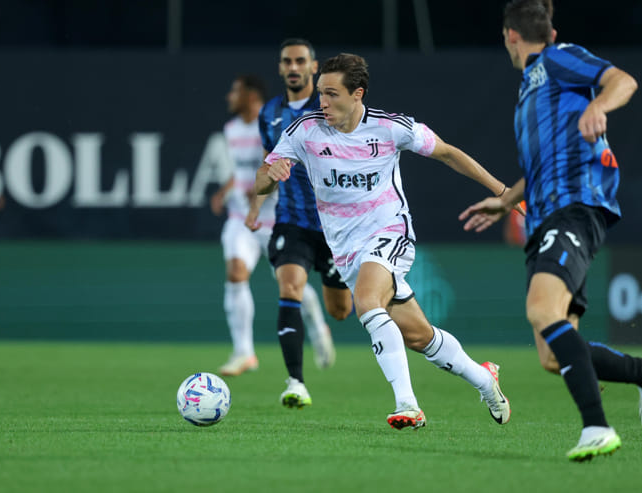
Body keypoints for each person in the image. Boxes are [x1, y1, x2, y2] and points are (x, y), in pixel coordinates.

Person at [459, 0, 642, 461]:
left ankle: (597, 428)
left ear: (510, 35)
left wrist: (599, 103)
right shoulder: (530, 90)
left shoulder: (556, 59)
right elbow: (542, 167)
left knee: (540, 309)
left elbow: (623, 80)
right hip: (544, 217)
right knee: (552, 355)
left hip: (575, 208)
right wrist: (507, 201)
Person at [257, 53, 512, 430]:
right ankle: (483, 379)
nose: (322, 102)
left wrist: (504, 193)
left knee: (366, 301)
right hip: (345, 250)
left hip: (389, 232)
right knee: (419, 336)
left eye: (332, 94)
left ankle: (408, 404)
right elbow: (261, 178)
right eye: (321, 94)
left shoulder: (391, 128)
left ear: (357, 93)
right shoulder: (304, 131)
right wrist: (271, 171)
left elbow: (447, 153)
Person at [246, 39, 353, 408]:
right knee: (289, 287)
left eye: (300, 61)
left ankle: (321, 326)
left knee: (341, 311)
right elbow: (266, 163)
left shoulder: (327, 106)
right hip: (293, 222)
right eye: (287, 61)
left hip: (337, 226)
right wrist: (255, 205)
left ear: (313, 67)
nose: (293, 67)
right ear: (280, 68)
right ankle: (296, 382)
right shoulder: (270, 113)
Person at [212, 74, 337, 377]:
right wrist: (227, 190)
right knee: (235, 272)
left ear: (252, 96)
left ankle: (317, 326)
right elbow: (242, 170)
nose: (229, 96)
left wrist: (262, 187)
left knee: (291, 285)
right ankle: (244, 352)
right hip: (241, 218)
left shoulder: (270, 126)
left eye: (235, 90)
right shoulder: (230, 130)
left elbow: (282, 165)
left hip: (276, 217)